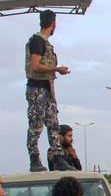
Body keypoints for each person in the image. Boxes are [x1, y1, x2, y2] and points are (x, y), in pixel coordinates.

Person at [26, 9, 76, 173]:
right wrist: (56, 69)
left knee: (53, 125)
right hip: (37, 88)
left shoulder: (45, 42)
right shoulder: (37, 41)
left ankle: (59, 158)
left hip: (47, 89)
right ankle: (34, 159)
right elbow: (35, 65)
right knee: (36, 126)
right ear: (53, 24)